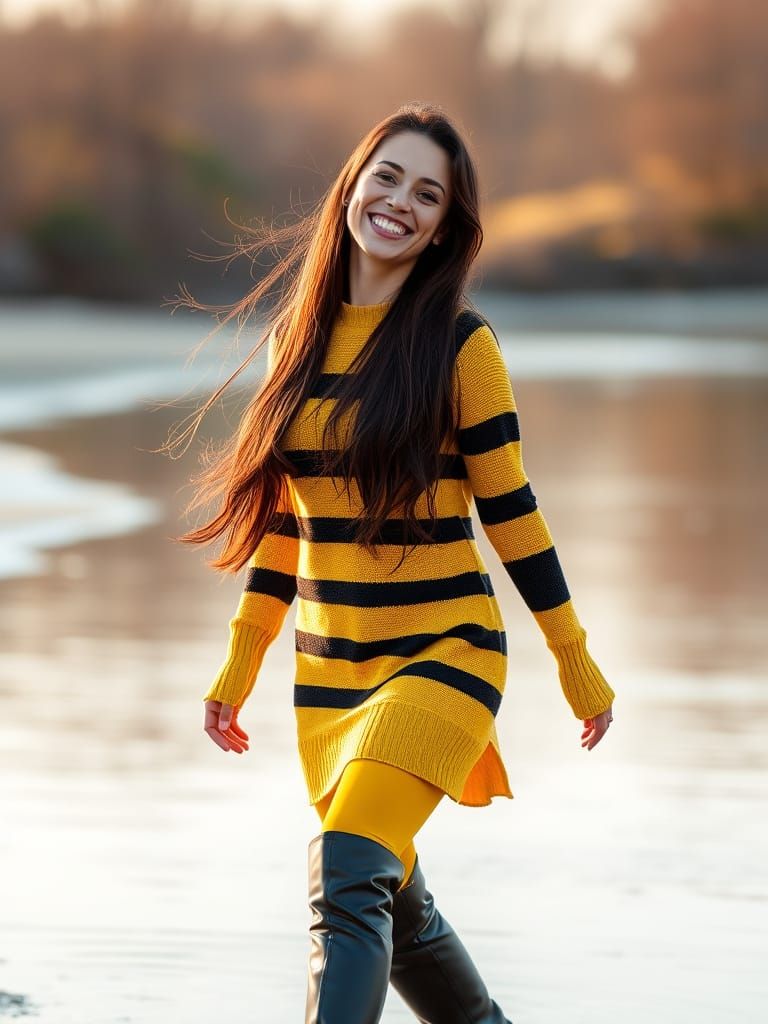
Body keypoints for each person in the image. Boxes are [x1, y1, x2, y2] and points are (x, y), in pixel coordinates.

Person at [178, 101, 615, 1024]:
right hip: (333, 677)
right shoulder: (293, 351)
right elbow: (291, 528)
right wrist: (241, 661)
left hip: (445, 657)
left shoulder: (463, 347)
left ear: (445, 227)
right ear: (353, 183)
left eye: (429, 194)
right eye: (388, 177)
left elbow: (513, 513)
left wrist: (573, 657)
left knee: (345, 876)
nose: (400, 203)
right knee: (393, 903)